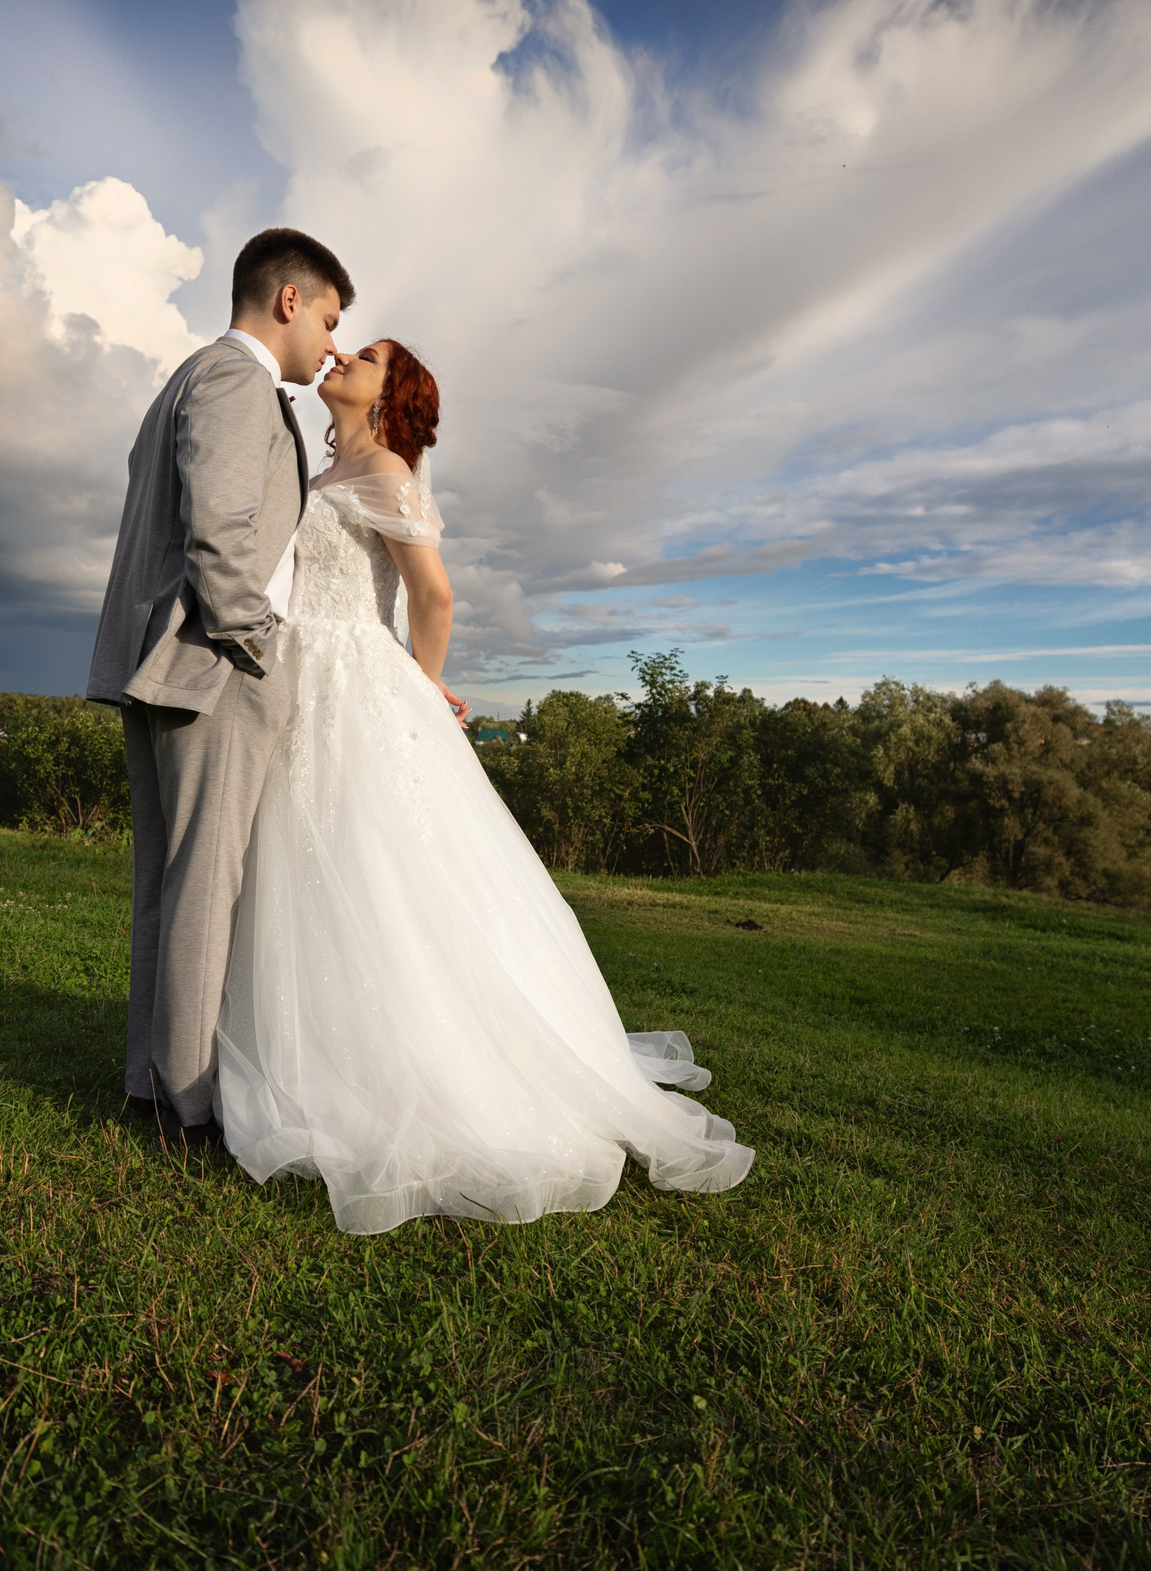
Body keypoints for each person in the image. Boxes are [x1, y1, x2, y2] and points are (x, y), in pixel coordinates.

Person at [213, 337, 754, 1233]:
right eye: (347, 344)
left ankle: (405, 1066)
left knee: (372, 865)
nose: (343, 353)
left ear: (397, 395)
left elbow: (435, 594)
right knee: (310, 862)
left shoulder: (386, 468)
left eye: (370, 354)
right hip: (302, 671)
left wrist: (420, 686)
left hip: (356, 678)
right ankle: (306, 1047)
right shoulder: (326, 468)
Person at [86, 228, 349, 1147]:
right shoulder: (239, 380)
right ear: (288, 301)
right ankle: (189, 1106)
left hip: (163, 665)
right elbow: (216, 533)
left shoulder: (186, 378)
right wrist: (259, 643)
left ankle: (149, 1086)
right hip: (214, 666)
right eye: (328, 318)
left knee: (166, 885)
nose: (329, 344)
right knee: (207, 885)